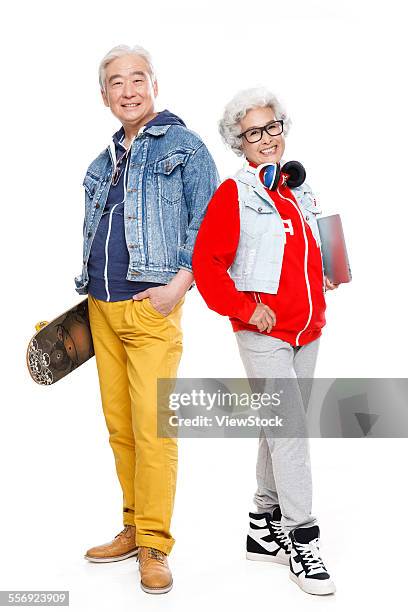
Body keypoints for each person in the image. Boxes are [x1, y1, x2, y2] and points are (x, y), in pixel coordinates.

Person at [74, 44, 219, 594]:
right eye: (116, 81)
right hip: (102, 311)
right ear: (104, 94)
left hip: (150, 311)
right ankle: (133, 526)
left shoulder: (183, 145)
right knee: (121, 429)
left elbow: (207, 225)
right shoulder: (103, 160)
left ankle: (156, 543)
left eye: (138, 77)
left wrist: (178, 285)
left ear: (154, 83)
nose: (128, 89)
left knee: (154, 430)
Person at [192, 87, 337, 596]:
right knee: (291, 430)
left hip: (308, 327)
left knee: (279, 427)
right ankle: (302, 535)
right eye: (254, 132)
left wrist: (327, 273)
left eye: (272, 127)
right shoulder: (235, 194)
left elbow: (309, 251)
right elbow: (206, 264)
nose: (267, 138)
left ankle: (262, 524)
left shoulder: (299, 189)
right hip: (263, 331)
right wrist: (244, 307)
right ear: (239, 141)